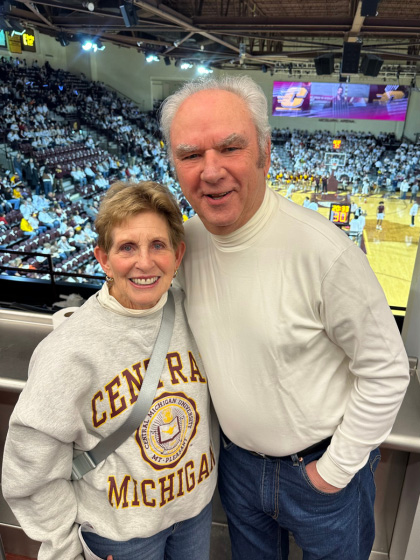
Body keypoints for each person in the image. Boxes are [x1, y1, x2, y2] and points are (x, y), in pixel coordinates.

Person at [159, 75, 409, 560]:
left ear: (264, 152)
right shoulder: (183, 245)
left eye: (230, 148)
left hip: (320, 471)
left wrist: (332, 472)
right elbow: (132, 306)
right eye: (191, 155)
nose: (210, 172)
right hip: (236, 467)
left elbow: (386, 370)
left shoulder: (325, 253)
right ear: (174, 163)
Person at [2, 181, 217, 560]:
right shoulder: (67, 351)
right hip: (120, 538)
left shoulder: (199, 312)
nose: (145, 262)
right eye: (127, 247)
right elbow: (29, 472)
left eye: (158, 245)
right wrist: (65, 547)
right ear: (103, 258)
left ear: (178, 254)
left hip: (194, 515)